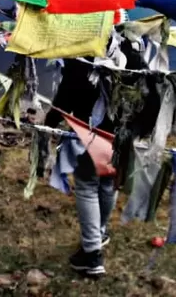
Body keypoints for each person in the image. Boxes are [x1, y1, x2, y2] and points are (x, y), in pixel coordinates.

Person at [44, 59, 115, 277]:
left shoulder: (83, 57)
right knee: (108, 183)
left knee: (87, 186)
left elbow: (66, 95)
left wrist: (49, 124)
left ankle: (92, 255)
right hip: (121, 133)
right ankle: (99, 234)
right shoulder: (130, 48)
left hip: (90, 134)